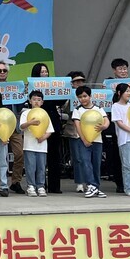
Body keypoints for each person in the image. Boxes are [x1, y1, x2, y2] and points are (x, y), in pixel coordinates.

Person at [0, 61, 25, 195]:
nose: (2, 73)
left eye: (4, 70)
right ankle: (0, 183)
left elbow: (21, 104)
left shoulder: (15, 87)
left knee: (19, 154)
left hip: (14, 126)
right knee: (0, 157)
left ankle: (15, 182)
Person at [31, 63, 63, 193]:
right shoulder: (32, 88)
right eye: (41, 72)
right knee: (38, 157)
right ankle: (40, 185)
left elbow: (60, 102)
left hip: (52, 122)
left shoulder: (52, 86)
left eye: (46, 72)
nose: (44, 74)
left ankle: (55, 186)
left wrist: (65, 89)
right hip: (37, 124)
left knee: (54, 156)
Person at [72, 85, 108, 198]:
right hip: (83, 141)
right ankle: (91, 185)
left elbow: (106, 120)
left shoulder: (98, 108)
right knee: (85, 163)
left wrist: (104, 127)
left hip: (97, 141)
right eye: (80, 97)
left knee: (96, 164)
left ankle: (96, 187)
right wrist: (84, 140)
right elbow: (78, 126)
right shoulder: (77, 110)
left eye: (85, 96)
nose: (83, 99)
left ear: (90, 96)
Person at [20, 90, 53, 196]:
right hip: (29, 145)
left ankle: (41, 186)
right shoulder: (26, 113)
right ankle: (30, 186)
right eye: (34, 100)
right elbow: (21, 127)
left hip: (42, 145)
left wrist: (42, 138)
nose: (36, 102)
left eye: (39, 100)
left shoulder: (44, 114)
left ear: (42, 102)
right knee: (30, 167)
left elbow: (50, 130)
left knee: (41, 167)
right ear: (30, 101)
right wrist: (30, 122)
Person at [102, 58, 127, 193]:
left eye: (125, 68)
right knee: (117, 155)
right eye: (120, 69)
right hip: (116, 124)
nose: (123, 71)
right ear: (114, 70)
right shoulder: (109, 84)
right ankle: (120, 182)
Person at [64, 71, 87, 193]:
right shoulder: (68, 96)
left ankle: (89, 181)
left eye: (81, 81)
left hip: (89, 131)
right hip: (74, 131)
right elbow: (66, 110)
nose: (79, 83)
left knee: (87, 158)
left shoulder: (90, 95)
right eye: (76, 81)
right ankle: (79, 183)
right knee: (77, 158)